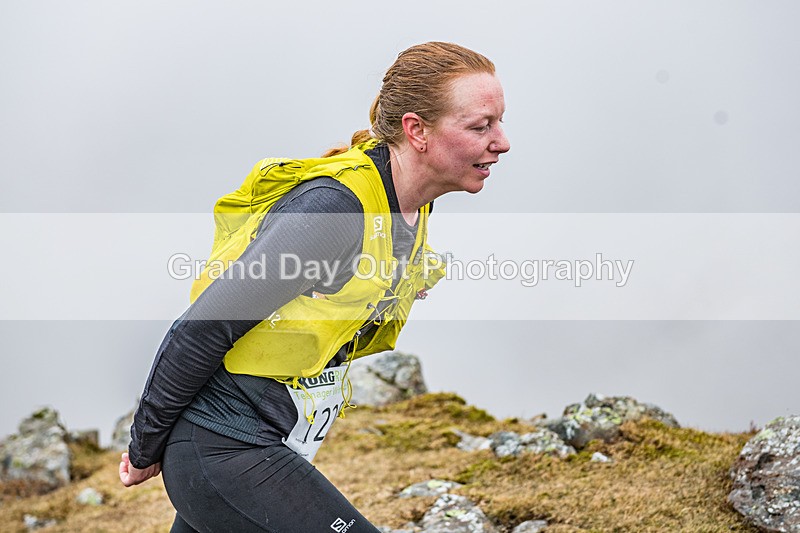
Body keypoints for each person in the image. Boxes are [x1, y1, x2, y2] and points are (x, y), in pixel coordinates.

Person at [119, 41, 510, 532]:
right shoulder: (333, 211)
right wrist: (144, 447)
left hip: (268, 442)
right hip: (223, 446)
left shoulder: (410, 203)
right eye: (481, 126)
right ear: (417, 131)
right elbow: (204, 325)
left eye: (498, 122)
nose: (502, 141)